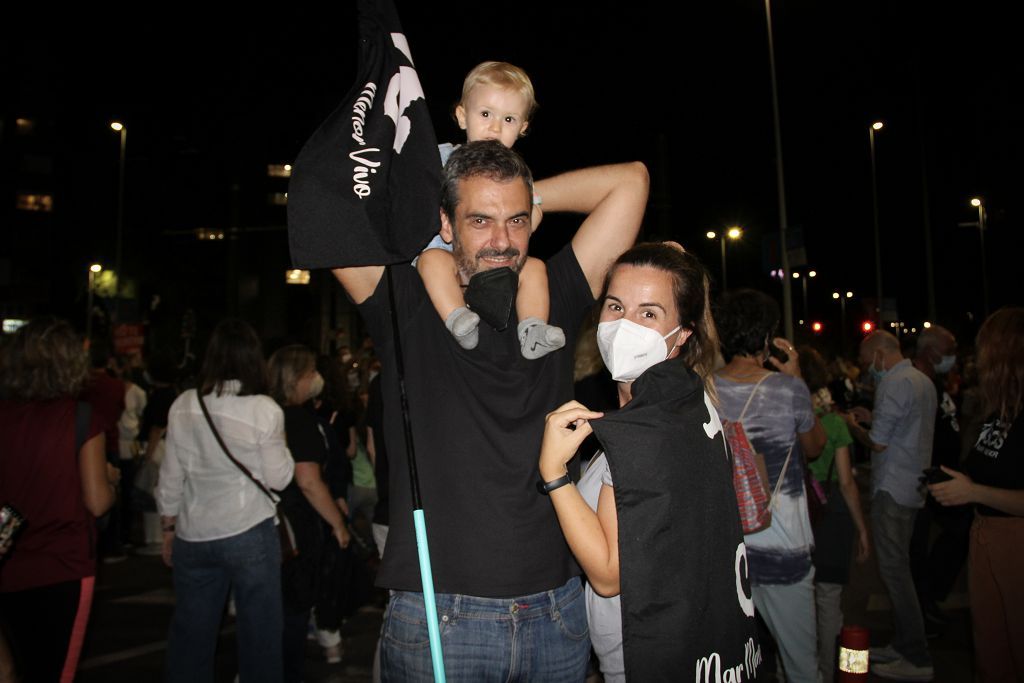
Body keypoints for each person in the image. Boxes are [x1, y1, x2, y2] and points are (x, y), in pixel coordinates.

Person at [332, 140, 647, 681]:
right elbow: (327, 206)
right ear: (446, 225)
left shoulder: (555, 297)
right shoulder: (403, 297)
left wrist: (528, 193)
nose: (502, 241)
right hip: (440, 615)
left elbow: (632, 181)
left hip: (556, 611)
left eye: (517, 220)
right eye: (480, 219)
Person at [538, 243, 760, 682]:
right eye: (616, 306)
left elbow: (607, 575)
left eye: (649, 313)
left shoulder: (645, 430)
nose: (624, 326)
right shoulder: (690, 403)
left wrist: (554, 473)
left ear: (683, 334)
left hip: (648, 653)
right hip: (699, 648)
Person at [157, 319, 295, 683]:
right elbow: (280, 478)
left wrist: (168, 528)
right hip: (249, 530)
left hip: (193, 532)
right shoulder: (264, 409)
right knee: (260, 636)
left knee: (191, 636)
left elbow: (170, 477)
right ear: (254, 359)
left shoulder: (184, 404)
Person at [712, 289, 826, 683]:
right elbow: (815, 448)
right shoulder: (788, 389)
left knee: (731, 666)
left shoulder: (704, 390)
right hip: (783, 548)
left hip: (725, 552)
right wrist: (794, 376)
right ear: (767, 338)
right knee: (800, 664)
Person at [418, 61, 564, 359]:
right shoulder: (440, 158)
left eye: (508, 119)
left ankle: (533, 328)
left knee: (535, 267)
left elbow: (533, 211)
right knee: (431, 259)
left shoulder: (515, 175)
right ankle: (458, 317)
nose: (495, 127)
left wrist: (527, 217)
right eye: (485, 114)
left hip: (490, 264)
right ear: (462, 115)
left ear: (523, 128)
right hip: (444, 257)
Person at [0, 316, 118, 683]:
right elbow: (97, 501)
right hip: (62, 565)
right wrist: (112, 479)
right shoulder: (81, 418)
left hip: (7, 561)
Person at [929, 307, 1024, 682]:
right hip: (987, 537)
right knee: (992, 652)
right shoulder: (1001, 411)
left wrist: (974, 491)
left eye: (984, 351)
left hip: (1014, 543)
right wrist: (960, 481)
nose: (975, 361)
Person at [845, 330, 936, 681]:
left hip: (892, 489)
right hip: (912, 485)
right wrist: (872, 416)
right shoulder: (921, 380)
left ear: (881, 355)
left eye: (870, 364)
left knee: (896, 574)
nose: (870, 371)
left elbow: (879, 443)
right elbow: (903, 429)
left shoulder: (894, 384)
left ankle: (915, 656)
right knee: (902, 570)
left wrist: (854, 426)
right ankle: (904, 643)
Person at [267, 345, 350, 681]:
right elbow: (309, 481)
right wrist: (338, 524)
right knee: (295, 607)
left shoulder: (266, 411)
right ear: (295, 379)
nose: (316, 379)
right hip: (296, 527)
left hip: (267, 523)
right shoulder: (299, 421)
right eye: (309, 373)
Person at [799, 346, 870, 682]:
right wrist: (863, 530)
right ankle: (828, 673)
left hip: (800, 519)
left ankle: (797, 670)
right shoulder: (834, 424)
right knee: (830, 603)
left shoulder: (792, 419)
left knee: (799, 603)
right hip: (832, 521)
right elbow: (847, 484)